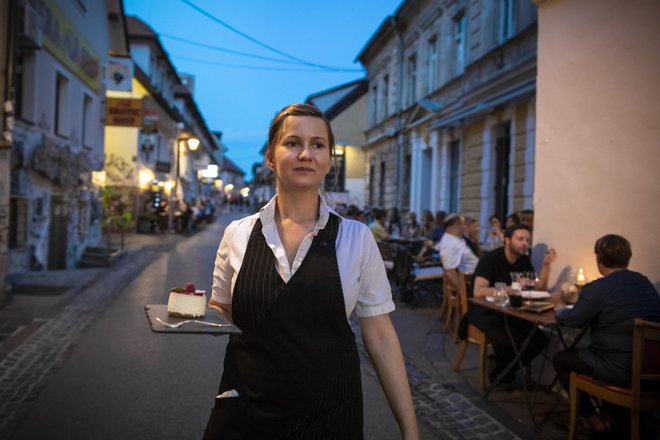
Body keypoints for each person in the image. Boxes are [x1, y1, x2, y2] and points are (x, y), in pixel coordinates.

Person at [205, 104, 419, 439]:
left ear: (329, 160)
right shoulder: (238, 233)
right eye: (292, 143)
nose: (306, 153)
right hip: (245, 413)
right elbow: (223, 313)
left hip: (331, 413)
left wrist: (410, 431)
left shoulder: (356, 238)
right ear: (271, 158)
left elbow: (380, 335)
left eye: (318, 145)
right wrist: (188, 312)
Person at [551, 234, 660, 433]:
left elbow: (573, 320)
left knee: (561, 359)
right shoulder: (644, 283)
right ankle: (612, 417)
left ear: (598, 259)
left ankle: (592, 419)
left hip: (620, 371)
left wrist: (559, 307)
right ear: (627, 258)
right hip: (651, 370)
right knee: (605, 353)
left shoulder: (598, 288)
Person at [471, 224, 557, 388]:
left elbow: (538, 288)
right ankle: (504, 376)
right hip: (485, 311)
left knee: (539, 339)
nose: (524, 243)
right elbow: (478, 291)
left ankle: (500, 370)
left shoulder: (523, 260)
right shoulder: (490, 259)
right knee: (505, 340)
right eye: (520, 239)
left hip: (510, 312)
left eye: (527, 240)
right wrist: (510, 289)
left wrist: (546, 266)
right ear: (507, 240)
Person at [436, 214, 479, 290]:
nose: (465, 227)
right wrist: (464, 294)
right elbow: (449, 272)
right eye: (463, 224)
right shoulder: (449, 243)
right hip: (473, 282)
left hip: (477, 278)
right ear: (456, 225)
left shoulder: (455, 240)